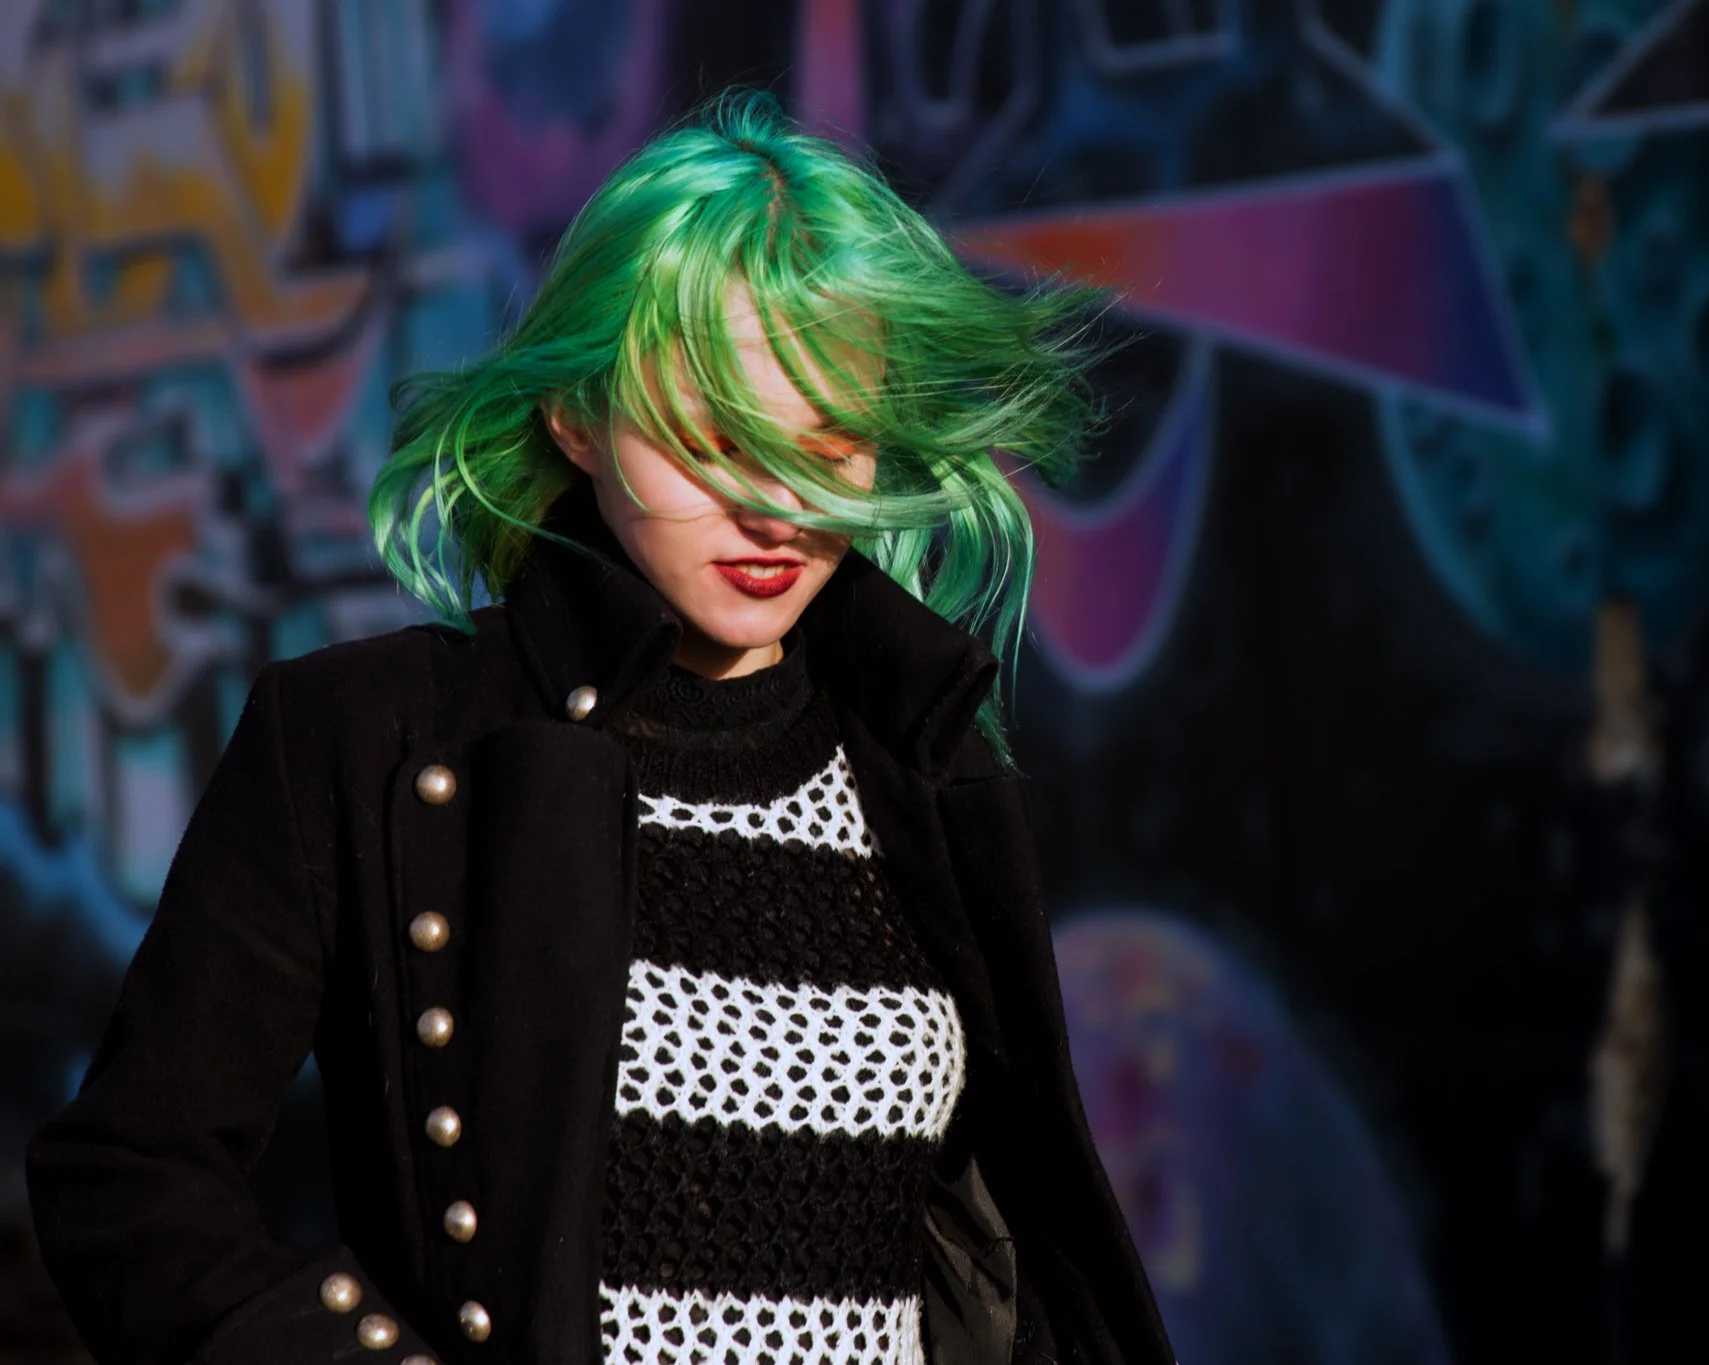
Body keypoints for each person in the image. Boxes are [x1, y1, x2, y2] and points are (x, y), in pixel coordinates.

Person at [25, 89, 1175, 1365]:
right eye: (714, 438)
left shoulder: (924, 764)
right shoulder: (368, 740)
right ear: (575, 416)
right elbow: (126, 1176)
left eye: (828, 444)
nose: (775, 510)